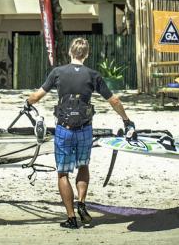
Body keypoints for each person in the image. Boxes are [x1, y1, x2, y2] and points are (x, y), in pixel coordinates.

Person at [25, 37, 134, 229]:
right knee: (83, 165)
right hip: (85, 129)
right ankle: (81, 203)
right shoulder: (93, 75)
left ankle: (71, 218)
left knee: (62, 173)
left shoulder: (58, 73)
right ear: (87, 54)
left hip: (64, 130)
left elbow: (37, 96)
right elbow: (114, 100)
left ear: (70, 52)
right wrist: (126, 120)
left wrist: (27, 102)